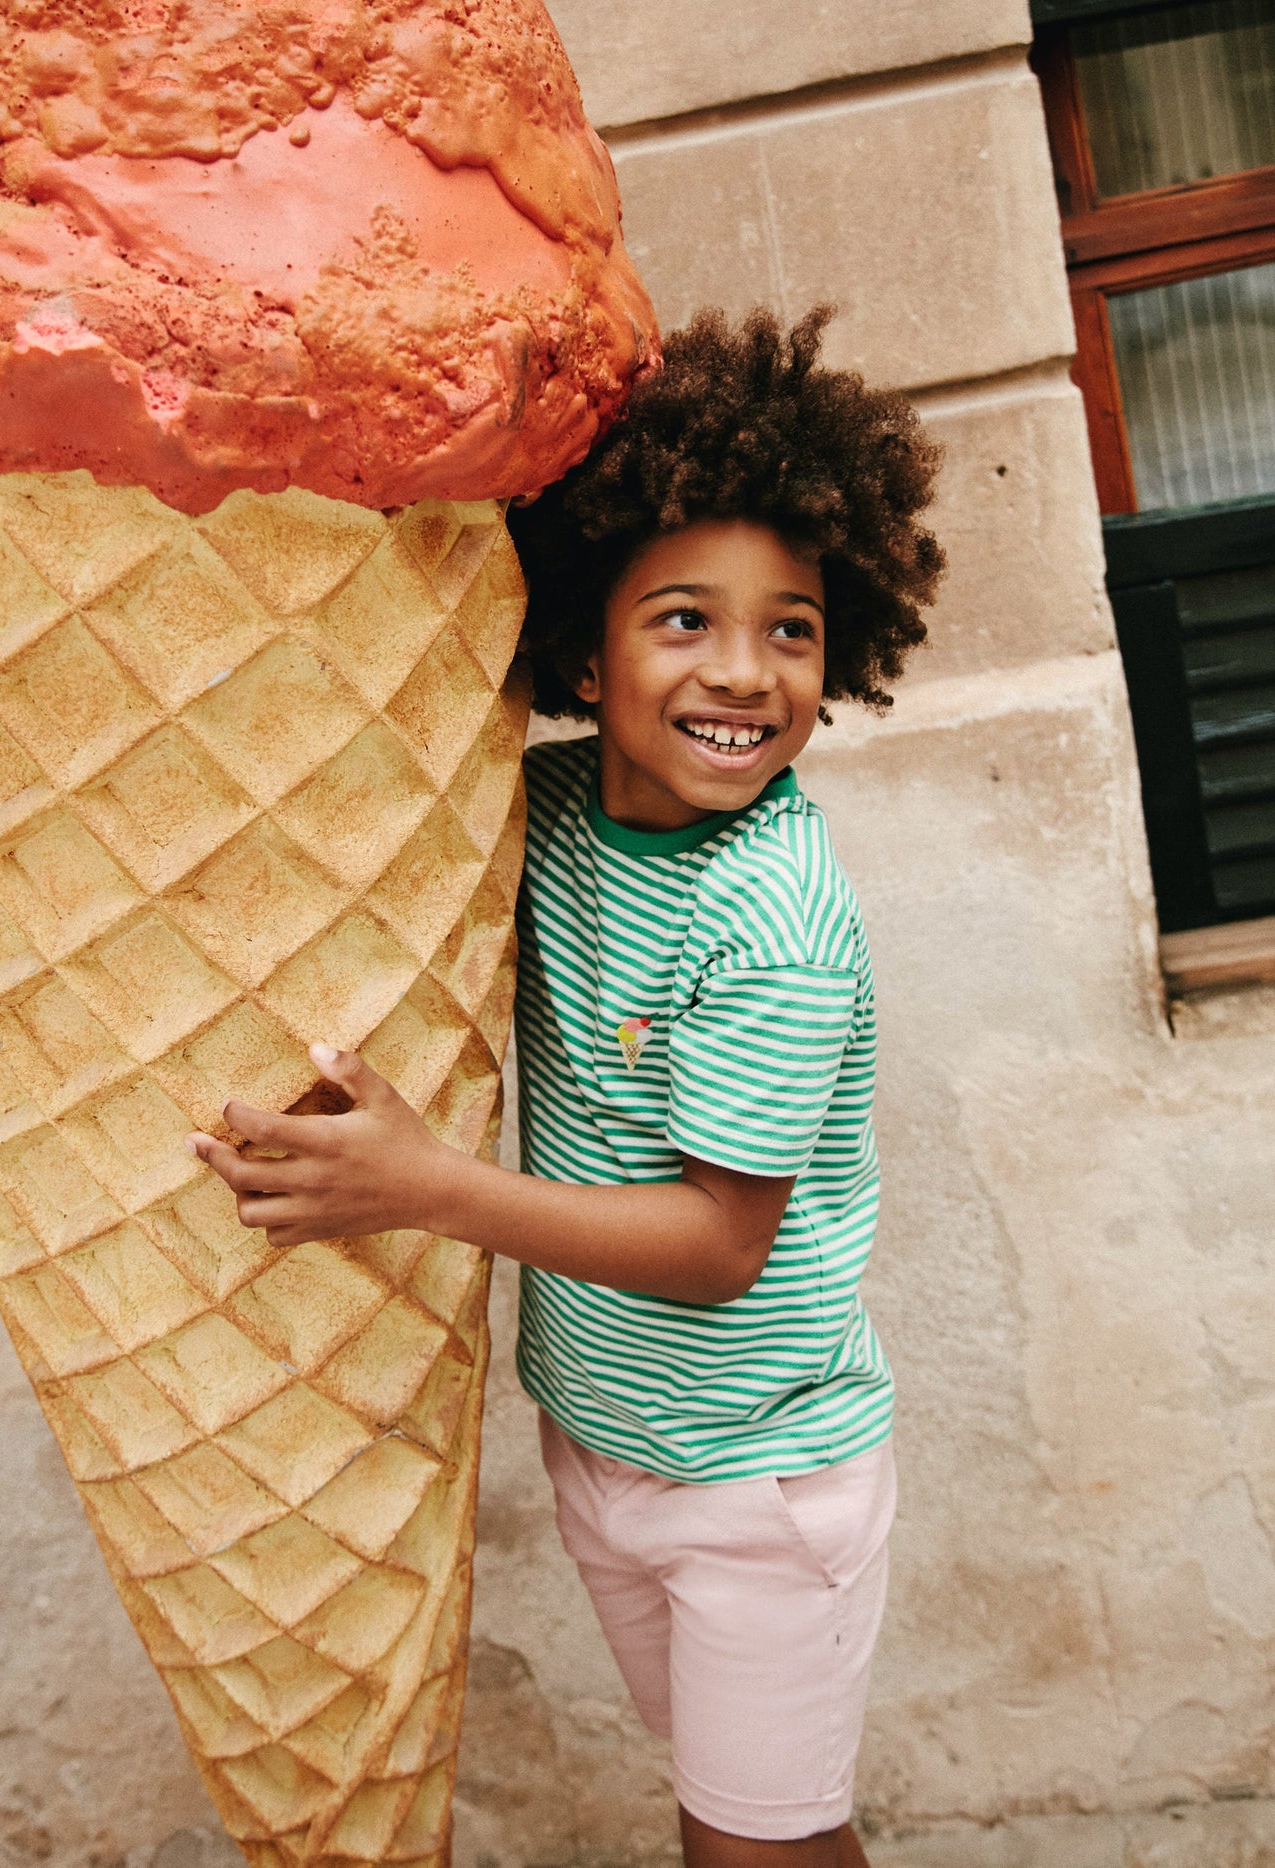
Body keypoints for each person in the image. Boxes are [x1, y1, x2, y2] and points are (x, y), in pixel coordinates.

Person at [189, 306, 944, 1868]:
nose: (744, 672)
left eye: (791, 627)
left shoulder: (773, 922)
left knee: (755, 1850)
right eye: (684, 618)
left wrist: (424, 1193)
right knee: (751, 1821)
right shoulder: (542, 812)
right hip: (605, 1443)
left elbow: (715, 1244)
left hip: (762, 1477)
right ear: (581, 638)